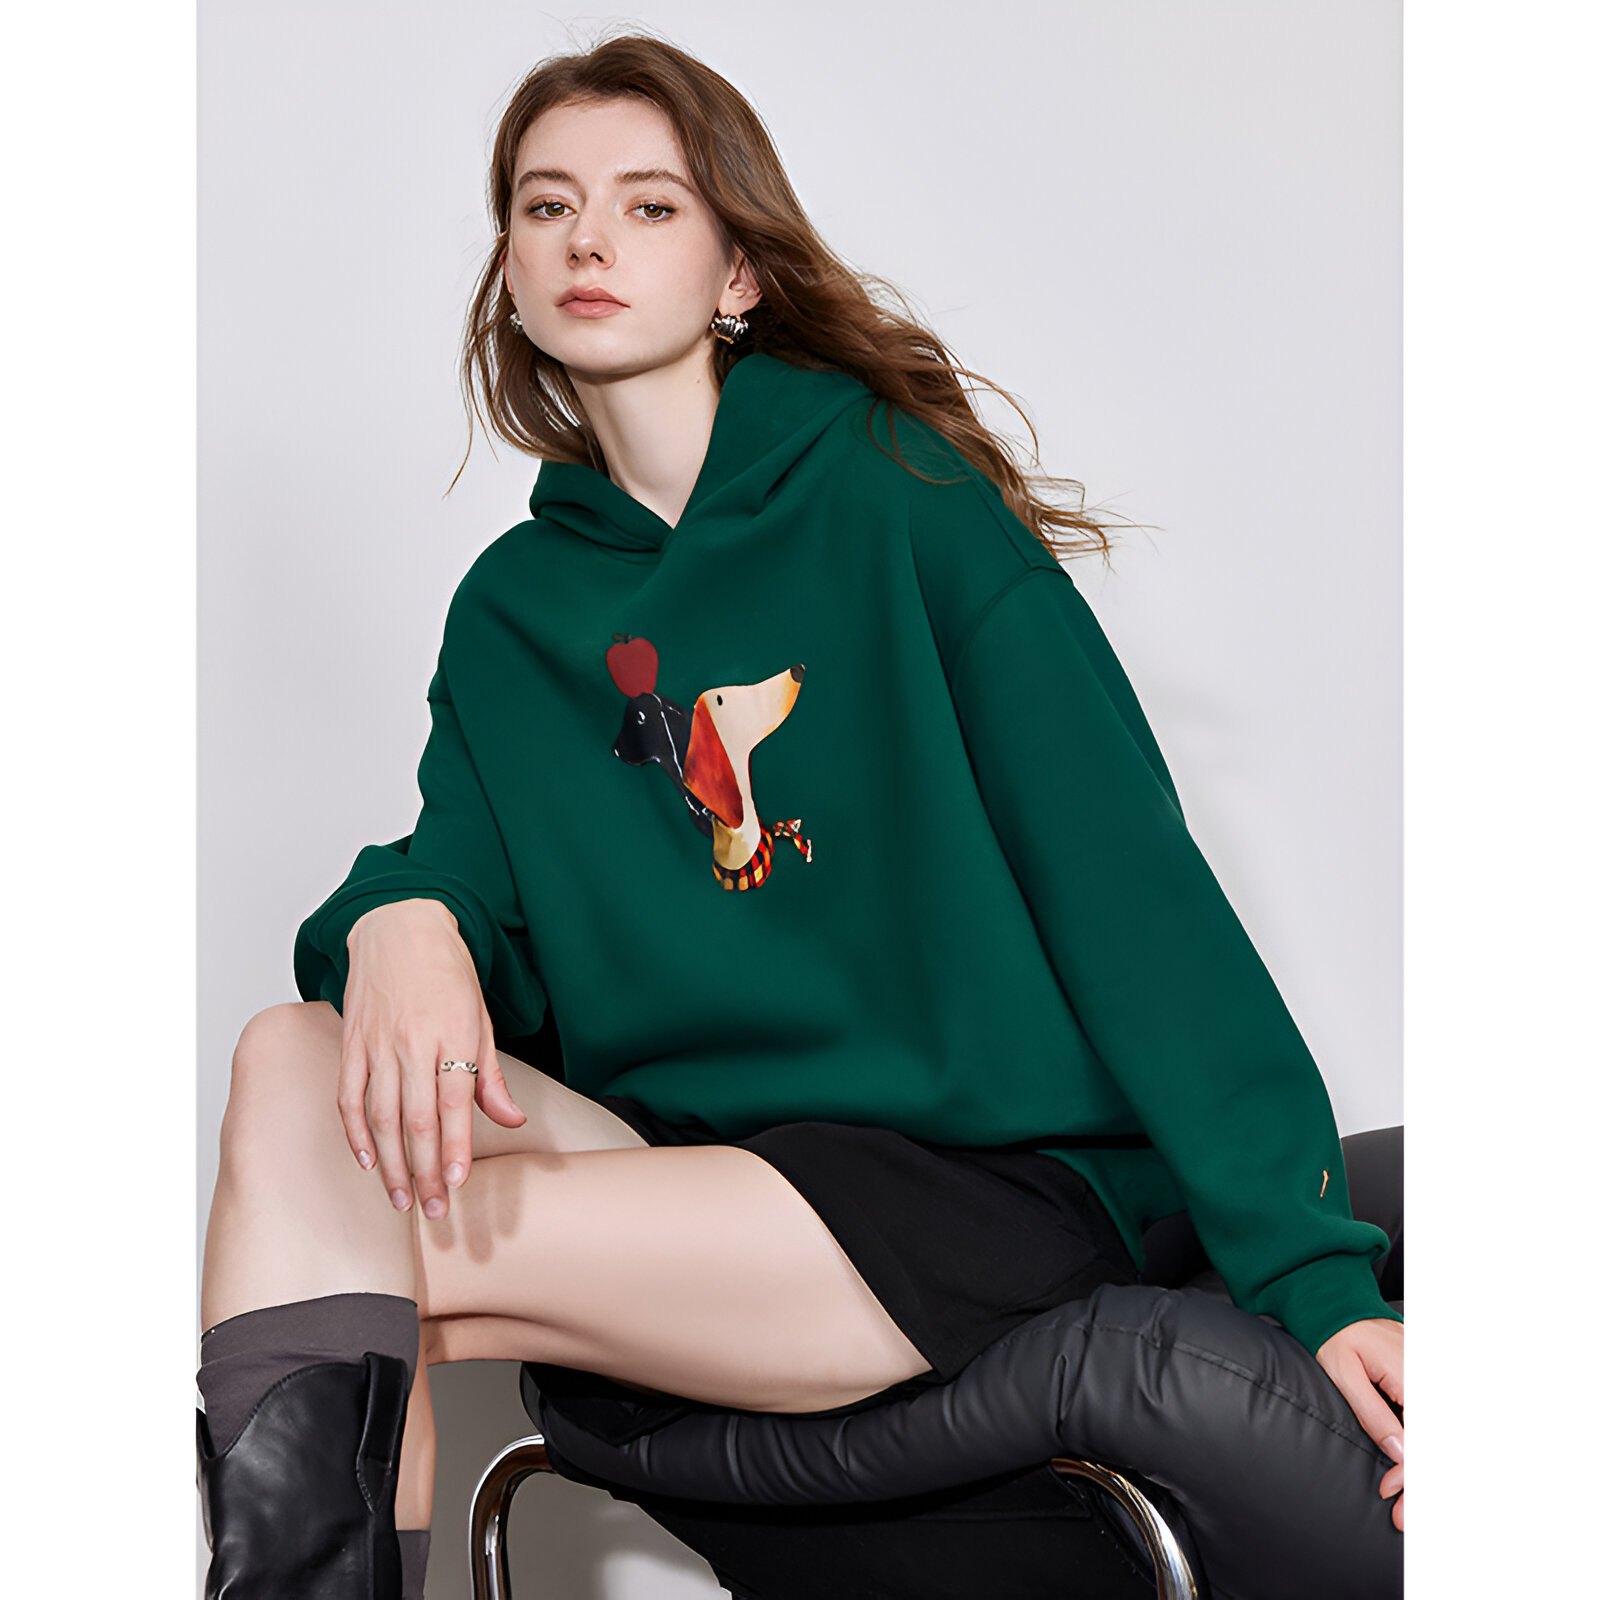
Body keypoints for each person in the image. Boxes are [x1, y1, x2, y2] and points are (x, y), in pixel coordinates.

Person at [195, 31, 1403, 1599]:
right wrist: (401, 918)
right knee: (289, 1062)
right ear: (509, 272)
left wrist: (1317, 1279)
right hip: (697, 1184)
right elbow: (461, 886)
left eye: (647, 206)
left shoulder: (903, 498)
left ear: (738, 273)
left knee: (335, 1256)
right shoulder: (511, 610)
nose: (588, 242)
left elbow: (1133, 895)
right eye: (548, 208)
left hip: (961, 1189)